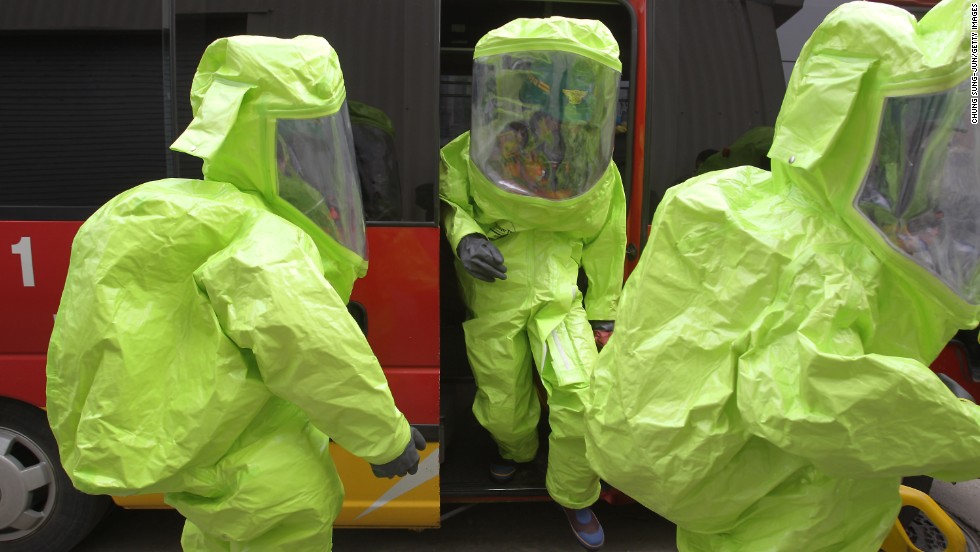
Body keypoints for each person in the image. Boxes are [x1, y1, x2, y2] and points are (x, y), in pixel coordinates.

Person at [584, 1, 980, 550]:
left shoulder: (727, 200)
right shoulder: (831, 258)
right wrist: (964, 431)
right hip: (796, 509)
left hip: (726, 488)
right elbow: (816, 399)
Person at [46, 35, 424, 551]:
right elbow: (317, 353)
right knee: (292, 518)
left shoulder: (189, 214)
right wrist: (387, 439)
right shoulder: (262, 239)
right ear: (273, 144)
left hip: (207, 455)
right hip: (261, 463)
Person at [440, 16, 626, 551]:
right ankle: (515, 453)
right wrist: (466, 237)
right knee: (501, 396)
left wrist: (603, 308)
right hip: (495, 293)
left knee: (581, 397)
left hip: (559, 296)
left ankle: (575, 496)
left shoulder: (591, 163)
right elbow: (450, 200)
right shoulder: (480, 147)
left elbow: (609, 235)